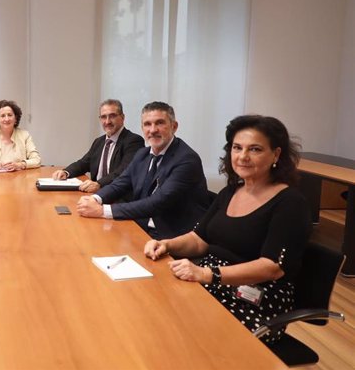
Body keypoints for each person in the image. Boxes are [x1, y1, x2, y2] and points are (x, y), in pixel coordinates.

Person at [143, 115, 311, 344]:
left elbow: (272, 267)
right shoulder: (230, 192)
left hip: (256, 297)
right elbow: (198, 239)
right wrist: (167, 244)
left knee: (178, 333)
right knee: (151, 311)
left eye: (255, 149)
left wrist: (207, 274)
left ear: (276, 155)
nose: (243, 156)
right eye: (237, 148)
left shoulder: (290, 202)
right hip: (211, 281)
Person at [76, 101, 209, 239]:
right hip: (140, 227)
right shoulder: (142, 154)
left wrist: (102, 210)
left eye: (159, 123)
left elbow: (157, 202)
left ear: (174, 126)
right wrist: (94, 199)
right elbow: (121, 183)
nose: (152, 130)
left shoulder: (186, 159)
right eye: (147, 124)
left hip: (172, 236)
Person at [52, 99, 144, 193]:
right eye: (103, 117)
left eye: (112, 116)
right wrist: (66, 172)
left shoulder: (134, 141)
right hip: (95, 193)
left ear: (122, 117)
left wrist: (99, 184)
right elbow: (83, 163)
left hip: (117, 197)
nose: (107, 121)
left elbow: (123, 172)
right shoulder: (99, 141)